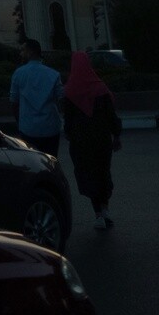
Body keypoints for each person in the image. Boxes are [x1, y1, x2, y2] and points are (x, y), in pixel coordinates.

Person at [61, 52, 122, 230]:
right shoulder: (100, 88)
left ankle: (97, 215)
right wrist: (116, 135)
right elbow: (111, 115)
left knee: (88, 175)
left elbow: (68, 119)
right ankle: (105, 209)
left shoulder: (70, 90)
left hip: (81, 142)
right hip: (102, 139)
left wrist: (69, 135)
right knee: (103, 172)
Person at [9, 39, 63, 155]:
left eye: (23, 50)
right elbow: (61, 100)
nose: (21, 54)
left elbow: (14, 102)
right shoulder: (53, 74)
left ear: (31, 52)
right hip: (51, 127)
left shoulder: (18, 74)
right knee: (51, 163)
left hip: (28, 129)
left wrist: (20, 123)